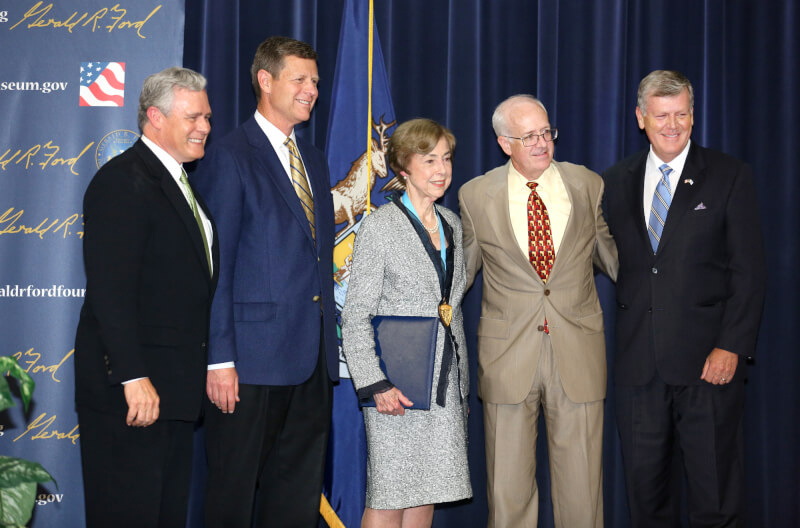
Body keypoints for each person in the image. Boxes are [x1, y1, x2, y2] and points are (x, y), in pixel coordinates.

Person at [602, 70, 766, 527]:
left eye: (680, 114)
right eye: (660, 115)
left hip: (708, 365)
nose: (671, 125)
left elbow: (749, 271)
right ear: (640, 118)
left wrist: (732, 345)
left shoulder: (730, 175)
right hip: (638, 368)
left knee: (715, 498)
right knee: (646, 502)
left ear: (693, 117)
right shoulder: (614, 181)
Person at [192, 36, 338, 527]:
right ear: (265, 80)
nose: (311, 90)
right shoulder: (229, 156)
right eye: (300, 79)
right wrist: (220, 358)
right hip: (248, 366)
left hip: (310, 361)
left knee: (296, 497)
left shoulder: (313, 159)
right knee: (232, 496)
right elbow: (217, 266)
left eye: (315, 81)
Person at [458, 94, 617, 528]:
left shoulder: (587, 184)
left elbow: (616, 260)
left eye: (546, 132)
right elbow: (459, 277)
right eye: (529, 136)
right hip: (507, 356)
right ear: (503, 142)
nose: (542, 143)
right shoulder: (475, 195)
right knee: (507, 494)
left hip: (578, 352)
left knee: (582, 494)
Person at [74, 67, 216, 528]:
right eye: (193, 117)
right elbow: (110, 291)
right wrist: (133, 376)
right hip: (133, 397)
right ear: (154, 117)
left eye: (207, 117)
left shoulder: (178, 180)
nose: (205, 128)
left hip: (171, 392)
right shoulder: (122, 182)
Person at [342, 118, 472, 528]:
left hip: (445, 383)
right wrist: (374, 382)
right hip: (395, 385)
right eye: (428, 159)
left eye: (446, 158)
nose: (441, 169)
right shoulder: (380, 226)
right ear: (402, 168)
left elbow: (452, 304)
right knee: (390, 493)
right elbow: (355, 312)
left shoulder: (452, 223)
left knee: (427, 491)